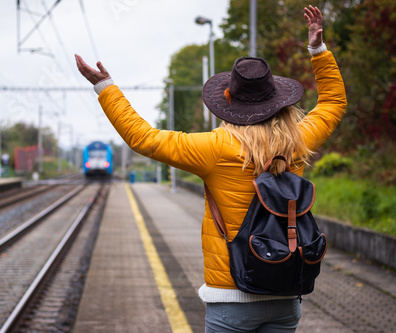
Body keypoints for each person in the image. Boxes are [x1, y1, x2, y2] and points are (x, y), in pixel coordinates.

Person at [76, 5, 346, 333]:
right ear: (277, 99)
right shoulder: (298, 140)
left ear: (229, 103)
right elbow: (333, 102)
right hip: (287, 292)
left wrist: (105, 86)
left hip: (232, 298)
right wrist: (317, 49)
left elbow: (143, 138)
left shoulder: (215, 148)